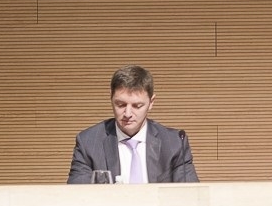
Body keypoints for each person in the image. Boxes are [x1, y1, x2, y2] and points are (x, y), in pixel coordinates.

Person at [67, 64, 198, 184]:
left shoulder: (174, 143)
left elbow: (189, 194)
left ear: (151, 102)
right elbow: (77, 195)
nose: (128, 113)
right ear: (111, 98)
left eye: (137, 106)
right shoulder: (89, 143)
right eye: (120, 104)